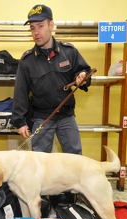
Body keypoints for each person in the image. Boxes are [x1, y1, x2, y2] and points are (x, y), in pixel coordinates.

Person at [11, 4, 92, 155]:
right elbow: (20, 92)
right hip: (42, 118)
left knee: (75, 159)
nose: (36, 32)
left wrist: (81, 77)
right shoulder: (27, 60)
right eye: (32, 28)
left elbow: (83, 71)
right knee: (39, 164)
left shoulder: (69, 52)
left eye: (40, 26)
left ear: (51, 25)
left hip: (67, 117)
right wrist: (19, 122)